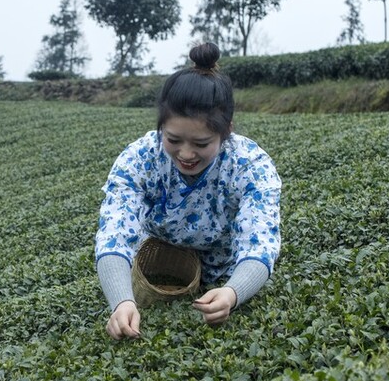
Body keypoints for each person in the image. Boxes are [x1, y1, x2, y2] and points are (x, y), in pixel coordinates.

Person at [94, 43, 282, 340]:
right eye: (173, 139)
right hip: (152, 261)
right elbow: (115, 229)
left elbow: (259, 240)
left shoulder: (250, 166)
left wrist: (233, 292)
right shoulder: (140, 157)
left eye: (202, 143)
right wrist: (121, 300)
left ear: (226, 131)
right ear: (160, 128)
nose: (186, 154)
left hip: (222, 269)